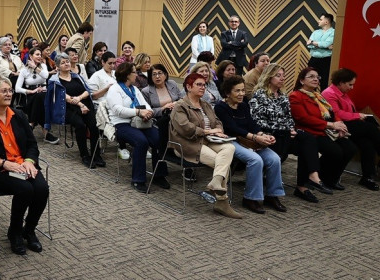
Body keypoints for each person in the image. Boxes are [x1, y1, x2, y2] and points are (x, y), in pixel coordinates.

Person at [0, 76, 49, 256]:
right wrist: (4, 163)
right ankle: (14, 232)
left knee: (42, 189)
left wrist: (29, 162)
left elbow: (32, 144)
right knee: (25, 189)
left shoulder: (19, 115)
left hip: (23, 165)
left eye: (10, 90)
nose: (9, 94)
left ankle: (29, 229)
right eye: (4, 91)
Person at [322, 68, 380, 190]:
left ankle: (368, 177)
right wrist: (358, 116)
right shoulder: (329, 93)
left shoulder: (343, 94)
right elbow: (337, 114)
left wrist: (357, 116)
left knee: (368, 143)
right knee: (370, 128)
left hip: (347, 123)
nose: (352, 88)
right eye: (350, 84)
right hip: (336, 125)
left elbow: (348, 111)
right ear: (341, 82)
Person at [249, 64, 323, 203]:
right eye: (278, 75)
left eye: (283, 75)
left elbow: (289, 118)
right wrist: (284, 129)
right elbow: (257, 121)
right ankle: (275, 192)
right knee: (293, 142)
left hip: (284, 134)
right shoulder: (259, 95)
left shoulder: (283, 96)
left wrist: (291, 129)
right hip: (268, 135)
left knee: (308, 140)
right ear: (269, 77)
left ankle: (308, 181)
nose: (282, 78)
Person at [170, 72, 239, 218]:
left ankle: (215, 183)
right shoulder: (180, 106)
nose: (203, 88)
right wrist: (208, 131)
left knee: (230, 147)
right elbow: (186, 129)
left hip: (208, 140)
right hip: (187, 144)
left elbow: (217, 121)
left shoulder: (205, 104)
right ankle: (222, 202)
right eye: (199, 85)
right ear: (189, 87)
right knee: (221, 163)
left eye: (204, 85)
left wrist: (218, 130)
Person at [214, 76, 286, 214]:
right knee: (255, 160)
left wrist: (262, 134)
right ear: (228, 93)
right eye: (237, 91)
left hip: (249, 140)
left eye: (243, 90)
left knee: (274, 159)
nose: (241, 94)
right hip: (231, 141)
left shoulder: (243, 105)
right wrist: (256, 137)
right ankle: (250, 198)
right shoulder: (220, 107)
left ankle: (272, 195)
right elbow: (232, 128)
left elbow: (251, 124)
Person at [289, 67, 358, 191]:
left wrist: (339, 124)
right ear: (301, 80)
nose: (315, 79)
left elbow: (332, 112)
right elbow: (303, 118)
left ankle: (330, 179)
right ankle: (314, 177)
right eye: (311, 76)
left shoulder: (318, 96)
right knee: (335, 151)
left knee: (350, 148)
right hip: (310, 132)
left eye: (317, 77)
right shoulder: (296, 96)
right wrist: (331, 125)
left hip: (326, 131)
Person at [106, 63, 168, 191]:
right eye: (134, 72)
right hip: (121, 124)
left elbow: (146, 105)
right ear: (127, 75)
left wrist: (148, 113)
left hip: (140, 122)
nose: (137, 75)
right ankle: (138, 180)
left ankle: (159, 175)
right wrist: (138, 112)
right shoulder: (115, 89)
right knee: (141, 142)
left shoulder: (134, 89)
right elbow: (118, 110)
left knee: (158, 139)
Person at [46, 53, 103, 167]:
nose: (66, 64)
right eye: (63, 63)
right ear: (57, 66)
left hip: (84, 105)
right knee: (80, 125)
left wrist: (80, 99)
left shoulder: (77, 77)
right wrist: (81, 105)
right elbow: (64, 97)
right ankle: (84, 155)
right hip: (67, 109)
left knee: (94, 126)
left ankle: (96, 154)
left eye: (67, 61)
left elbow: (87, 91)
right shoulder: (54, 80)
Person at [15, 47, 56, 143]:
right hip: (31, 95)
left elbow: (46, 76)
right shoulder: (24, 70)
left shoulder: (43, 67)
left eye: (40, 55)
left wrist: (35, 67)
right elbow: (17, 88)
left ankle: (31, 123)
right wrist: (31, 92)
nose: (39, 57)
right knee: (38, 97)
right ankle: (46, 133)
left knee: (40, 96)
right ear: (30, 56)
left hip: (44, 94)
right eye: (37, 54)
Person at [307, 12, 335, 90]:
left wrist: (314, 43)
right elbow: (308, 44)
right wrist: (324, 47)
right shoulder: (316, 32)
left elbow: (326, 44)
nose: (318, 21)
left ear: (326, 22)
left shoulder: (333, 32)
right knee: (310, 81)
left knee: (324, 83)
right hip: (313, 60)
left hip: (325, 61)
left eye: (320, 19)